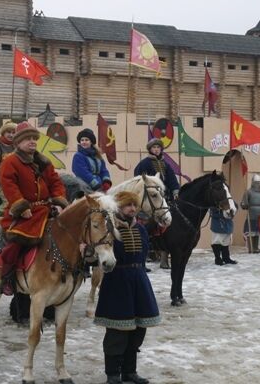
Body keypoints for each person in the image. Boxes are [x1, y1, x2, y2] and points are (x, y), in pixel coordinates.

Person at [94, 191, 160, 384]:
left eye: (134, 205)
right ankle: (113, 374)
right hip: (118, 281)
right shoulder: (110, 229)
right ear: (119, 208)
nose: (132, 209)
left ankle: (129, 371)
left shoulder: (140, 229)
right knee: (117, 332)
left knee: (138, 329)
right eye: (127, 205)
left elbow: (145, 251)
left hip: (139, 281)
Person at [0, 121, 68, 296]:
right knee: (17, 241)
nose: (32, 142)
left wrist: (59, 201)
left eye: (34, 139)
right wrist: (21, 206)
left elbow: (56, 182)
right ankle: (7, 277)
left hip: (46, 209)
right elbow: (9, 186)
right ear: (18, 142)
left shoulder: (43, 161)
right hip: (24, 213)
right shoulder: (10, 162)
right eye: (28, 139)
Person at [134, 138, 179, 269]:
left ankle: (164, 258)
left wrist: (176, 190)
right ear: (150, 149)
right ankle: (146, 253)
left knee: (169, 228)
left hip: (165, 199)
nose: (156, 150)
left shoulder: (166, 164)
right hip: (150, 201)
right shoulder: (144, 163)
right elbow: (138, 179)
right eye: (154, 148)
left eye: (158, 148)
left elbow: (172, 179)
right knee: (147, 227)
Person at [72, 128, 112, 193]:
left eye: (86, 140)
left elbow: (104, 170)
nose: (84, 142)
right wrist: (95, 184)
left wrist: (106, 182)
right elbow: (83, 173)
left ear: (91, 142)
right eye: (82, 140)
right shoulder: (78, 156)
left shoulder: (98, 156)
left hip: (100, 185)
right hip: (84, 186)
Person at [241, 174, 260, 254]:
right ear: (253, 183)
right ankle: (251, 248)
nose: (259, 185)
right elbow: (242, 203)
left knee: (257, 233)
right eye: (257, 183)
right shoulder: (248, 192)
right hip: (251, 215)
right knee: (251, 233)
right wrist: (244, 205)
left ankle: (256, 248)